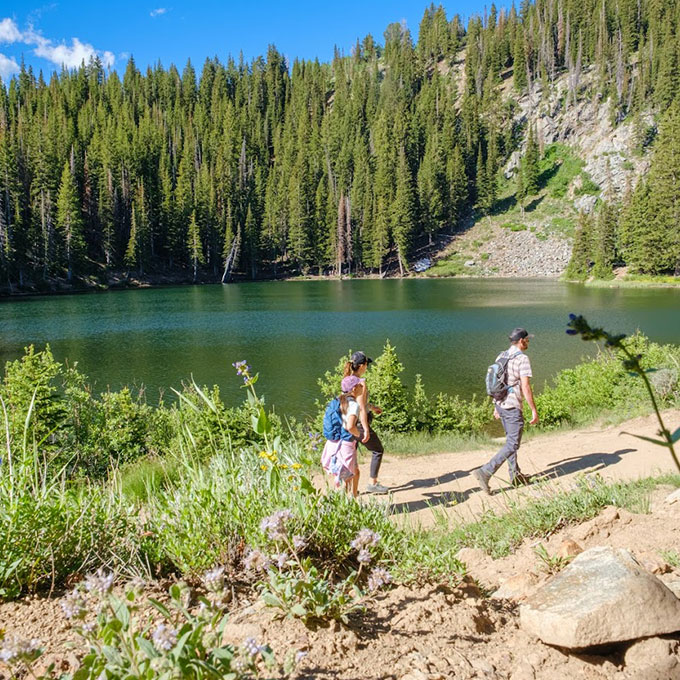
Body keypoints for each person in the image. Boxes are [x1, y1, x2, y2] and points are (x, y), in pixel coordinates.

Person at [474, 328, 539, 495]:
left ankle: (515, 476)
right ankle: (485, 472)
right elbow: (525, 386)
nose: (528, 342)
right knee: (513, 443)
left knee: (511, 441)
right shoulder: (522, 359)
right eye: (527, 340)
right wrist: (533, 410)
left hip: (500, 404)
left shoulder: (501, 355)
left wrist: (496, 405)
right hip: (511, 406)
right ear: (521, 341)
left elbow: (496, 382)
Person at [343, 351, 388, 494]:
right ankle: (372, 483)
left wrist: (372, 407)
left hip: (347, 424)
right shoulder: (360, 383)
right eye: (367, 364)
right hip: (358, 425)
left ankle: (347, 488)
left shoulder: (347, 380)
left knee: (351, 455)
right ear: (362, 366)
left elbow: (355, 403)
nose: (367, 366)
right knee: (377, 450)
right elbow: (361, 408)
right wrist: (366, 428)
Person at [321, 375, 363, 496]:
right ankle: (347, 503)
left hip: (333, 443)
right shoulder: (354, 405)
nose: (362, 387)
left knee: (350, 473)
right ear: (354, 388)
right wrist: (358, 434)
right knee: (349, 476)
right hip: (346, 444)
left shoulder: (337, 401)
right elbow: (350, 426)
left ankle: (350, 498)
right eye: (359, 385)